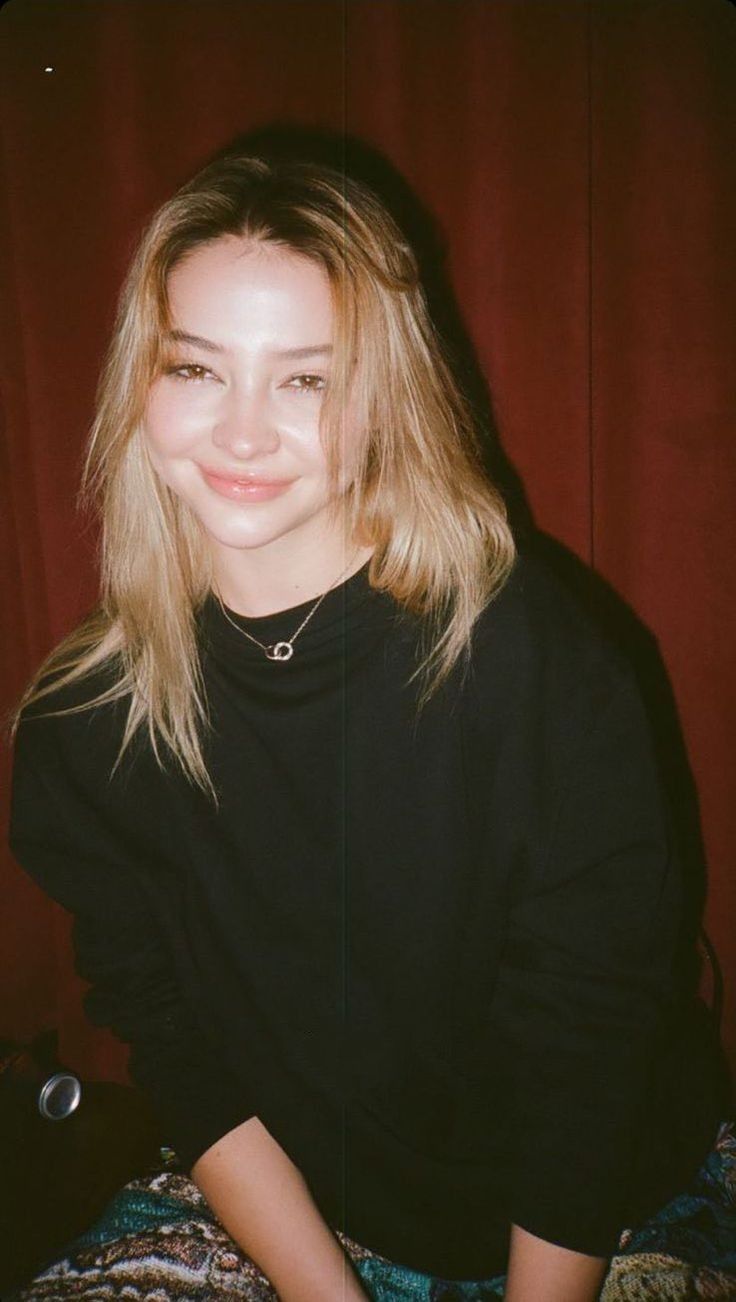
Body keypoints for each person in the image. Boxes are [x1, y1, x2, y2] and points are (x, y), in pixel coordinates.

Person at [5, 151, 725, 1301]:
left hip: (598, 1205)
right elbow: (176, 1045)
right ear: (141, 384)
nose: (242, 435)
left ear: (386, 399)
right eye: (197, 366)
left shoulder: (533, 659)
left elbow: (586, 1053)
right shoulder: (85, 721)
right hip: (304, 1204)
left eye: (306, 380)